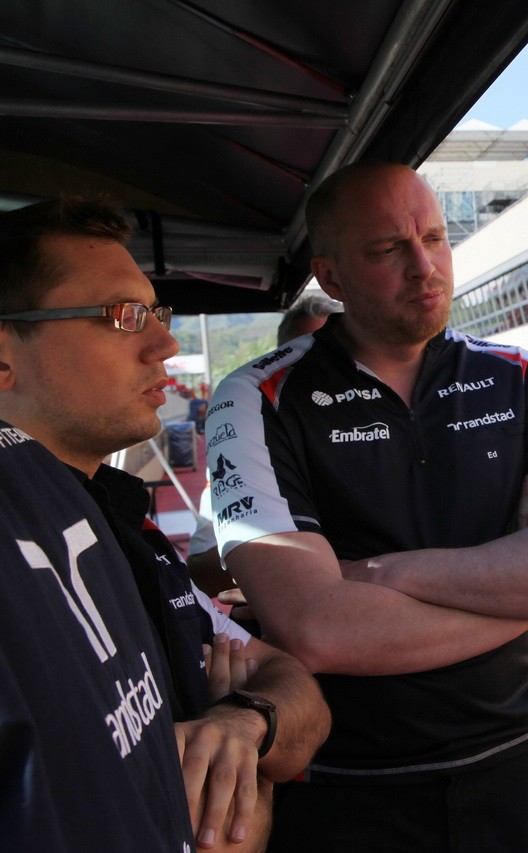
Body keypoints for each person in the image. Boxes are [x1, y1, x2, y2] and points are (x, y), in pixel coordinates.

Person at [204, 161, 528, 851]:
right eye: (388, 249)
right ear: (331, 278)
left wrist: (378, 573)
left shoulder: (519, 376)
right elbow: (315, 628)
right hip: (346, 793)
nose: (425, 266)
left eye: (435, 237)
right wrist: (527, 583)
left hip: (515, 771)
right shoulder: (255, 397)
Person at [0, 197, 331, 852]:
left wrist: (244, 724)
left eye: (157, 312)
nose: (165, 343)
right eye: (123, 316)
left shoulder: (127, 532)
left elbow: (299, 693)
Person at [0, 421, 195, 851]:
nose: (163, 350)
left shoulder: (115, 511)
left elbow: (278, 671)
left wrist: (247, 717)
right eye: (111, 345)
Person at [185, 293, 342, 600]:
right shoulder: (243, 444)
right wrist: (263, 564)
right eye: (303, 354)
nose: (324, 369)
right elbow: (198, 573)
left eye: (336, 355)